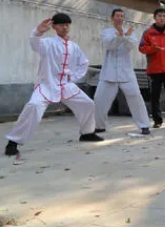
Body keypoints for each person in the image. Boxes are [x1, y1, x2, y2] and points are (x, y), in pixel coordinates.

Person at [5, 14, 104, 157]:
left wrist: (73, 77)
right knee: (34, 106)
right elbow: (35, 44)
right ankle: (13, 142)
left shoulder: (74, 46)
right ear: (54, 27)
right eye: (61, 25)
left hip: (66, 85)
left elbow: (84, 63)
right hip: (47, 85)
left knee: (87, 104)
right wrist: (38, 32)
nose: (65, 27)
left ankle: (87, 133)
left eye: (67, 24)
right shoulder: (47, 43)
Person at [94, 8, 151, 135]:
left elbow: (130, 45)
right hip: (109, 73)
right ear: (112, 18)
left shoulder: (130, 32)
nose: (120, 18)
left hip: (126, 73)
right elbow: (110, 45)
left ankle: (144, 125)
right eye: (117, 16)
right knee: (99, 99)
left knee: (136, 97)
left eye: (122, 16)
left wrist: (123, 36)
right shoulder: (106, 32)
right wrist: (122, 36)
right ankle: (99, 125)